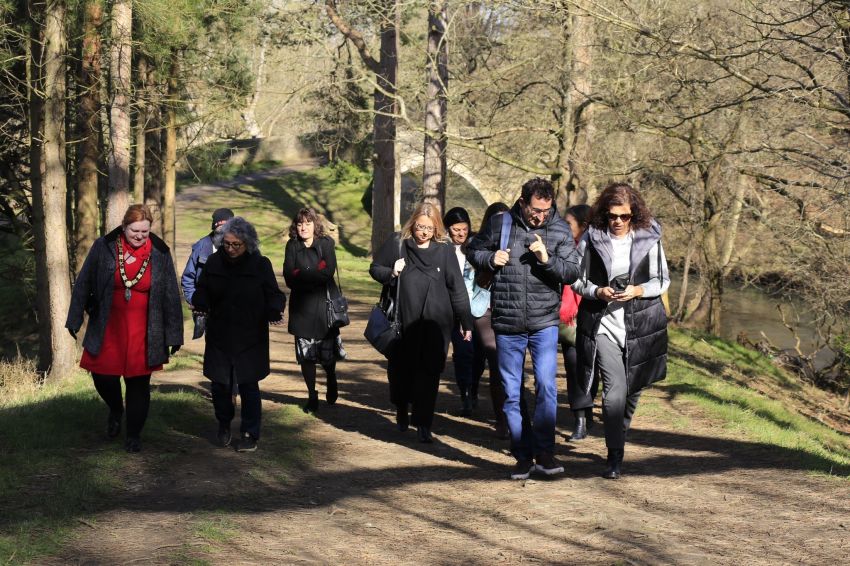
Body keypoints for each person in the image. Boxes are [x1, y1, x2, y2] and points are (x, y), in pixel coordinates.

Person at [467, 178, 581, 479]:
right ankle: (521, 454)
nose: (540, 216)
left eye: (546, 210)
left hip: (544, 322)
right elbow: (473, 250)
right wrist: (490, 259)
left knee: (546, 387)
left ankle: (545, 452)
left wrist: (546, 258)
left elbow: (572, 271)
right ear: (522, 202)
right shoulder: (500, 223)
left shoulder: (559, 229)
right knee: (511, 391)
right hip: (506, 322)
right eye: (535, 210)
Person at [66, 204, 184, 453]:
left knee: (139, 383)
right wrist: (74, 317)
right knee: (102, 375)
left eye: (144, 231)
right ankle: (116, 408)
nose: (140, 236)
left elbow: (171, 295)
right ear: (124, 227)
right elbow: (84, 280)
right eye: (135, 231)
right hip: (108, 324)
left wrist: (174, 334)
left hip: (145, 329)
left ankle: (133, 436)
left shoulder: (160, 252)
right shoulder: (105, 246)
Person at [572, 182, 670, 479]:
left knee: (633, 390)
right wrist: (597, 292)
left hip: (641, 326)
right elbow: (575, 279)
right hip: (602, 325)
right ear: (604, 213)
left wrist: (637, 290)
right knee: (614, 392)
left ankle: (618, 432)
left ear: (634, 215)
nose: (617, 222)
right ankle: (615, 454)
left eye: (624, 216)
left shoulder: (649, 239)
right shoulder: (591, 238)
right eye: (612, 215)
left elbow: (662, 280)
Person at [369, 203, 474, 443]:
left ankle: (424, 423)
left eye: (429, 228)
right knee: (401, 371)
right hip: (403, 321)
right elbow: (375, 269)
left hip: (437, 323)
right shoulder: (398, 243)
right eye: (420, 227)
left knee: (430, 373)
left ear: (436, 228)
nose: (424, 232)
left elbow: (456, 287)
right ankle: (402, 408)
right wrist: (391, 272)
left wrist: (465, 321)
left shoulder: (444, 250)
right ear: (412, 223)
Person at [192, 217, 286, 452]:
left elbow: (274, 294)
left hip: (250, 335)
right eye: (227, 244)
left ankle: (250, 433)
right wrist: (201, 302)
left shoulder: (260, 264)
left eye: (237, 245)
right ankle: (224, 423)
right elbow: (201, 288)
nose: (231, 249)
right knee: (220, 386)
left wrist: (274, 309)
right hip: (220, 334)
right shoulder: (214, 262)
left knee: (248, 385)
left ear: (248, 244)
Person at [283, 207, 345, 413]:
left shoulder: (326, 244)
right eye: (300, 224)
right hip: (301, 309)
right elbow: (289, 276)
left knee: (327, 356)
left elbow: (328, 272)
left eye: (308, 223)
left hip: (324, 307)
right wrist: (311, 273)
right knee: (305, 356)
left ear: (315, 225)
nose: (303, 228)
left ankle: (331, 377)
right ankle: (311, 394)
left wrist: (303, 273)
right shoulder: (292, 246)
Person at [468, 202, 511, 438]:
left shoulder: (517, 243)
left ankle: (512, 413)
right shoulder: (477, 245)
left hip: (511, 310)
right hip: (484, 308)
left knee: (509, 366)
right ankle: (501, 419)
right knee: (495, 360)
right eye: (497, 220)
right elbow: (471, 280)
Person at [559, 204, 595, 441]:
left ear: (583, 226)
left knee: (592, 366)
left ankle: (588, 409)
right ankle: (580, 418)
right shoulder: (562, 248)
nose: (564, 228)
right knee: (574, 365)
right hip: (569, 318)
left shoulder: (597, 249)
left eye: (568, 224)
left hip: (593, 314)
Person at [443, 206, 479, 416]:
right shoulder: (441, 248)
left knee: (467, 353)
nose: (461, 234)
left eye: (464, 229)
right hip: (444, 308)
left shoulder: (474, 247)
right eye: (456, 229)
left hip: (468, 309)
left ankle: (468, 392)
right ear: (448, 229)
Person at [181, 208, 234, 338]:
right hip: (209, 312)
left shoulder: (245, 246)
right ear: (214, 227)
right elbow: (188, 278)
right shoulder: (201, 246)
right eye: (220, 226)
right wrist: (196, 301)